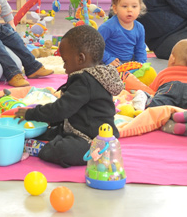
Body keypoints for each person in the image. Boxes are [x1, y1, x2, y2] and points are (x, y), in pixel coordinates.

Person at [12, 25, 124, 168]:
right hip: (76, 126)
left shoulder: (84, 80)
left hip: (92, 139)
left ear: (80, 58)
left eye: (65, 61)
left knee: (62, 150)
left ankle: (42, 148)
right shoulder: (95, 75)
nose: (64, 67)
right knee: (43, 133)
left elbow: (61, 109)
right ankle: (48, 140)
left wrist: (32, 113)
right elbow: (70, 109)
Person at [98, 0, 147, 66]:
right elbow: (96, 46)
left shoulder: (140, 28)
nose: (129, 10)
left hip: (129, 63)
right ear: (115, 9)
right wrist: (108, 59)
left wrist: (141, 65)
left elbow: (140, 49)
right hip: (109, 63)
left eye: (134, 6)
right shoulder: (108, 27)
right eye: (124, 6)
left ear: (140, 8)